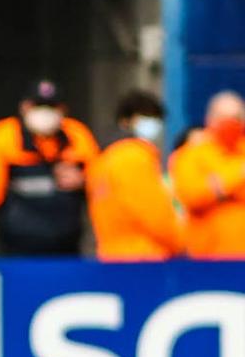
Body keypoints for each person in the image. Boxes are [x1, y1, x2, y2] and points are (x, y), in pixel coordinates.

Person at [0, 80, 100, 256]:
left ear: (63, 110)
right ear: (24, 107)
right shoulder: (4, 137)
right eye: (38, 105)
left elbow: (104, 185)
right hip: (16, 250)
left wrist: (84, 182)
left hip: (68, 248)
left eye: (52, 106)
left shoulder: (77, 136)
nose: (45, 112)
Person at [86, 90, 183, 262]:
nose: (152, 124)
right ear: (125, 121)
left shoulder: (102, 159)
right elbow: (154, 214)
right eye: (145, 117)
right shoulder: (133, 157)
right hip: (143, 258)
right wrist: (180, 243)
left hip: (111, 256)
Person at [169, 90, 245, 259]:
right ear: (209, 119)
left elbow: (208, 190)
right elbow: (192, 195)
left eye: (237, 118)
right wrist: (238, 175)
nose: (231, 123)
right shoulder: (190, 155)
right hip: (205, 261)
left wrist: (217, 187)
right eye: (223, 118)